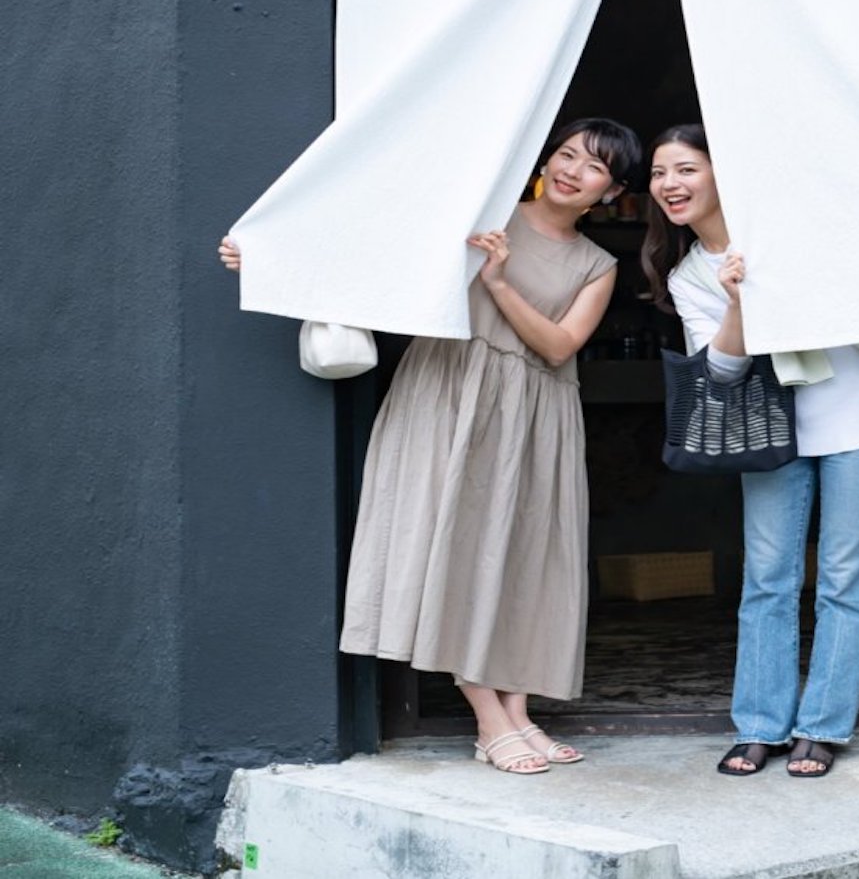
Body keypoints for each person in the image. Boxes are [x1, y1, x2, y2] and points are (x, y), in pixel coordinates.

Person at [221, 118, 643, 775]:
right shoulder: (487, 213)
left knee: (522, 557)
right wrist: (275, 260)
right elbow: (381, 249)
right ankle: (490, 718)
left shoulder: (599, 263)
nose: (570, 169)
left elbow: (560, 346)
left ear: (612, 191)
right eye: (565, 153)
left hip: (536, 412)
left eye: (592, 167)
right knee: (453, 546)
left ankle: (519, 709)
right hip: (450, 391)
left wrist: (499, 284)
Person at [640, 122, 859, 778]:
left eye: (685, 168)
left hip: (857, 408)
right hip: (767, 429)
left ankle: (822, 727)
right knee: (768, 576)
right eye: (660, 173)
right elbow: (718, 370)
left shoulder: (792, 229)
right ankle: (759, 725)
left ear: (723, 173)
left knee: (843, 575)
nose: (669, 184)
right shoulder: (691, 273)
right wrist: (736, 302)